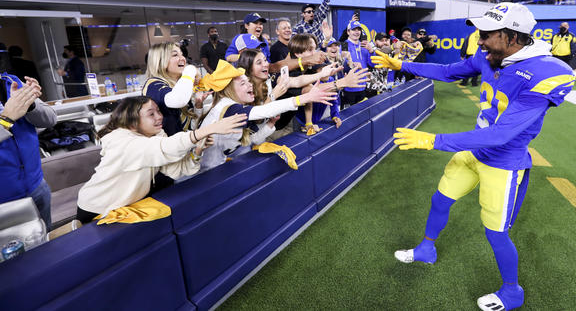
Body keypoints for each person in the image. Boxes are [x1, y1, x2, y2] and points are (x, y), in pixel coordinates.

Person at [372, 2, 575, 311]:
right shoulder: (491, 54)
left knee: (496, 233)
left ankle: (512, 292)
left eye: (487, 35)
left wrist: (433, 140)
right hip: (472, 150)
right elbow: (448, 71)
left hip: (504, 162)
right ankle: (427, 248)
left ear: (510, 36)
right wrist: (403, 66)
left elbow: (500, 134)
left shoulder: (545, 72)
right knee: (441, 199)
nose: (480, 41)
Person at [76, 96, 246, 222]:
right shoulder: (123, 141)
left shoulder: (154, 135)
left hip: (125, 205)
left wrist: (198, 150)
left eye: (158, 111)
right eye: (151, 114)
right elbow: (165, 147)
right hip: (96, 208)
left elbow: (175, 169)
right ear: (132, 122)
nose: (159, 117)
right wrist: (205, 131)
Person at [198, 60, 336, 169]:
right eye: (242, 83)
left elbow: (249, 141)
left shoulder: (237, 106)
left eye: (248, 81)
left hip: (217, 169)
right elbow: (264, 111)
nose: (249, 85)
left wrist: (270, 124)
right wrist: (303, 99)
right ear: (228, 90)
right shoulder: (226, 107)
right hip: (201, 176)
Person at [0, 72, 57, 231]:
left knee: (47, 244)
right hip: (4, 200)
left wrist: (31, 105)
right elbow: (7, 119)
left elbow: (50, 119)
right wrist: (5, 119)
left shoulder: (12, 81)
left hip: (37, 186)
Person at [341, 20, 373, 107]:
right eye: (354, 29)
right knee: (348, 116)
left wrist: (371, 51)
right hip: (349, 88)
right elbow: (341, 65)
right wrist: (351, 63)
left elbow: (373, 64)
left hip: (362, 87)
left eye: (358, 30)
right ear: (348, 32)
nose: (356, 32)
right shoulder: (344, 45)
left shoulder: (365, 46)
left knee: (362, 116)